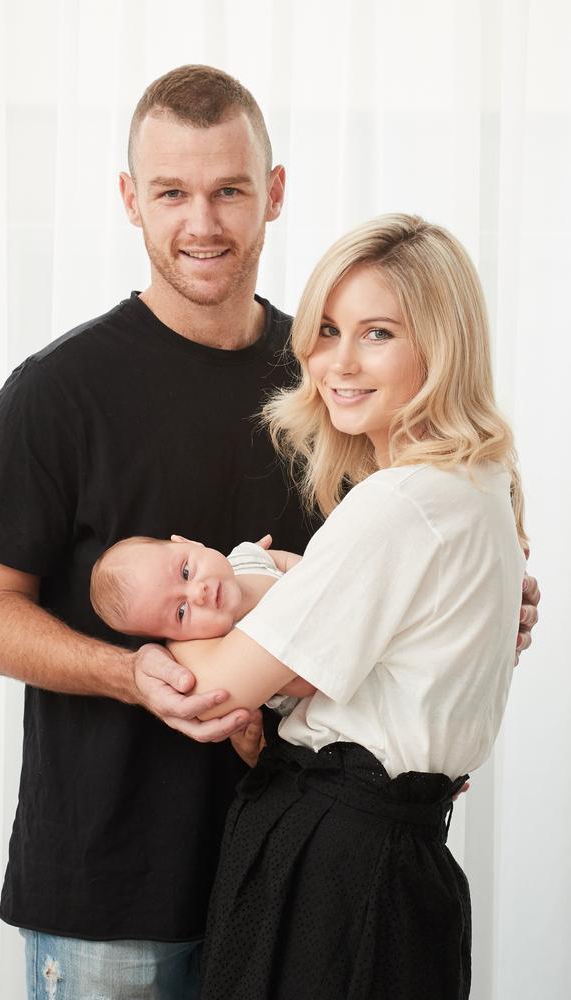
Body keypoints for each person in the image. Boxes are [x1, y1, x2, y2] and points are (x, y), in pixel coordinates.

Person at [0, 65, 539, 1000]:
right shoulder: (55, 393)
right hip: (109, 884)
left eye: (229, 190)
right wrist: (128, 674)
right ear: (128, 201)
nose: (203, 223)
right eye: (172, 193)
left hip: (283, 868)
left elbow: (388, 577)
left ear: (272, 194)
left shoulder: (331, 384)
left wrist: (471, 604)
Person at [165, 214, 528, 999]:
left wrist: (171, 613)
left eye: (377, 334)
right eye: (327, 330)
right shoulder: (479, 486)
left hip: (335, 869)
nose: (337, 362)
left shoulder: (401, 504)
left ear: (441, 345)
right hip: (390, 861)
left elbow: (217, 688)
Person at [89, 534, 302, 639]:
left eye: (186, 572)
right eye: (181, 612)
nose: (197, 593)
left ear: (189, 542)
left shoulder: (246, 556)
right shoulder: (238, 643)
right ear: (179, 640)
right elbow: (302, 682)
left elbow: (288, 562)